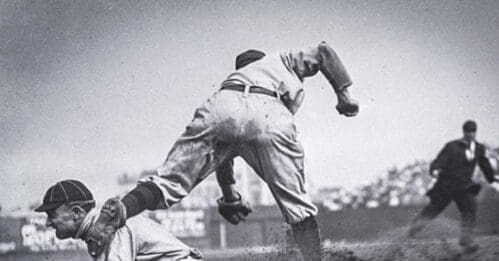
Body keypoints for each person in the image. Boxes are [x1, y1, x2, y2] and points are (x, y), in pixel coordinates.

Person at [85, 41, 359, 260]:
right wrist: (344, 94)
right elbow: (324, 51)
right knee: (298, 208)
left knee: (167, 182)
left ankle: (123, 207)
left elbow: (221, 160)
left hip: (220, 109)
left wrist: (230, 198)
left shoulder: (231, 81)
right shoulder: (280, 61)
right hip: (269, 109)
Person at [35, 179, 203, 260]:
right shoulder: (99, 227)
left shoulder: (107, 226)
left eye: (52, 214)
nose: (48, 222)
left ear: (76, 212)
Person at [406, 120, 499, 252]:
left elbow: (484, 163)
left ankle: (466, 241)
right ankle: (411, 232)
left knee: (470, 208)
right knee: (432, 210)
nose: (471, 134)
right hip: (446, 187)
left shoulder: (479, 148)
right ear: (464, 132)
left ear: (475, 132)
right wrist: (435, 169)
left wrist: (492, 178)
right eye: (468, 131)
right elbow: (440, 160)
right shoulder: (452, 147)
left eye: (473, 131)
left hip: (464, 187)